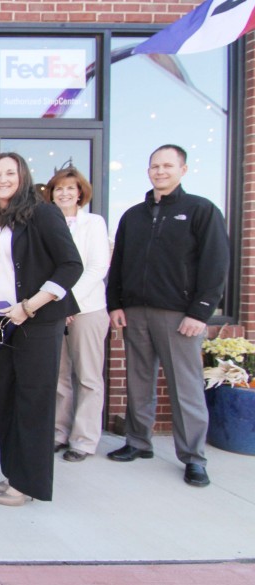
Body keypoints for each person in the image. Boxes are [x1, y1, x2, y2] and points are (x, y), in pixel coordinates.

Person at [106, 144, 229, 487]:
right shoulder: (133, 215)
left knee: (185, 387)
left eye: (167, 166)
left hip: (180, 316)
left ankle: (193, 457)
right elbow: (118, 265)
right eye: (154, 166)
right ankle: (138, 441)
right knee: (138, 380)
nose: (160, 172)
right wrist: (115, 303)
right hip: (135, 312)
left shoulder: (201, 210)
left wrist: (200, 312)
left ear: (183, 170)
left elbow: (215, 265)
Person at [0, 152, 82, 506]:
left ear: (23, 176)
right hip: (1, 322)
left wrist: (31, 305)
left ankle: (29, 483)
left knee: (32, 402)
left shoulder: (43, 213)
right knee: (8, 400)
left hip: (35, 320)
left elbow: (70, 265)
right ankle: (12, 473)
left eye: (10, 173)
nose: (3, 179)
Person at [43, 168, 110, 463]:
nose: (65, 193)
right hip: (53, 308)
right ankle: (58, 432)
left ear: (81, 192)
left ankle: (83, 439)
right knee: (58, 377)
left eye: (71, 188)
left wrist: (67, 302)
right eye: (59, 188)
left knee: (88, 377)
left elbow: (97, 268)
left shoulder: (93, 223)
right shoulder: (46, 221)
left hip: (86, 308)